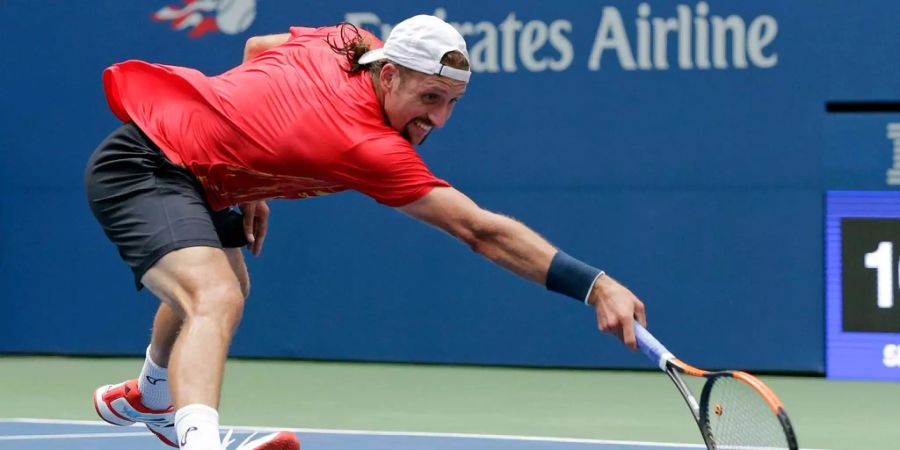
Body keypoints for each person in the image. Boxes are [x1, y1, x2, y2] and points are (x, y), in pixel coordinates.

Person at [85, 15, 647, 450]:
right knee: (214, 294)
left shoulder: (349, 40)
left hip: (207, 173)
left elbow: (258, 47)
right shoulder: (366, 145)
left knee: (223, 285)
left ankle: (153, 395)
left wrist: (246, 162)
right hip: (145, 163)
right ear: (389, 74)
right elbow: (481, 232)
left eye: (453, 102)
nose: (440, 119)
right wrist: (594, 286)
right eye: (429, 98)